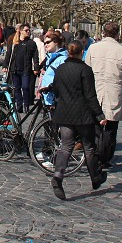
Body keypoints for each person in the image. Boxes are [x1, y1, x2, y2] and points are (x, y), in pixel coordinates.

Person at [48, 39, 107, 200]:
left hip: (65, 113)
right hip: (83, 115)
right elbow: (90, 96)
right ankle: (95, 177)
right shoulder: (85, 70)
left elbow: (57, 89)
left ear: (68, 52)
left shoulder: (60, 69)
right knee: (88, 146)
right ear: (82, 52)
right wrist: (99, 115)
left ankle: (58, 176)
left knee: (66, 146)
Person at [84, 21, 122, 169]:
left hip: (95, 91)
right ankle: (105, 158)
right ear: (117, 34)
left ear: (103, 33)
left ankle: (94, 155)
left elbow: (86, 71)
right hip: (115, 92)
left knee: (96, 126)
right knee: (111, 129)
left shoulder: (93, 48)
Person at [6, 24, 39, 113]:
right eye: (26, 30)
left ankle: (26, 105)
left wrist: (36, 67)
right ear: (21, 31)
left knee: (25, 87)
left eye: (29, 30)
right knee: (16, 88)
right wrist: (5, 66)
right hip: (15, 69)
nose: (28, 32)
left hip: (26, 69)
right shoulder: (15, 42)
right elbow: (9, 54)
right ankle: (19, 106)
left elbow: (35, 56)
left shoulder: (31, 43)